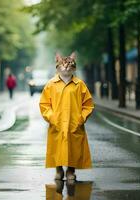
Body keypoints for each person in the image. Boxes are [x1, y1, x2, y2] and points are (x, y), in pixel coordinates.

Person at [39, 52, 94, 181]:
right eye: (63, 64)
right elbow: (44, 104)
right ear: (57, 66)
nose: (66, 67)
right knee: (57, 147)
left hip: (74, 122)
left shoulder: (79, 84)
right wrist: (51, 117)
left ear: (74, 67)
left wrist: (81, 118)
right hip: (57, 122)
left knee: (73, 148)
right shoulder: (51, 84)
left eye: (69, 65)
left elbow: (88, 104)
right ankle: (58, 170)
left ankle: (70, 171)